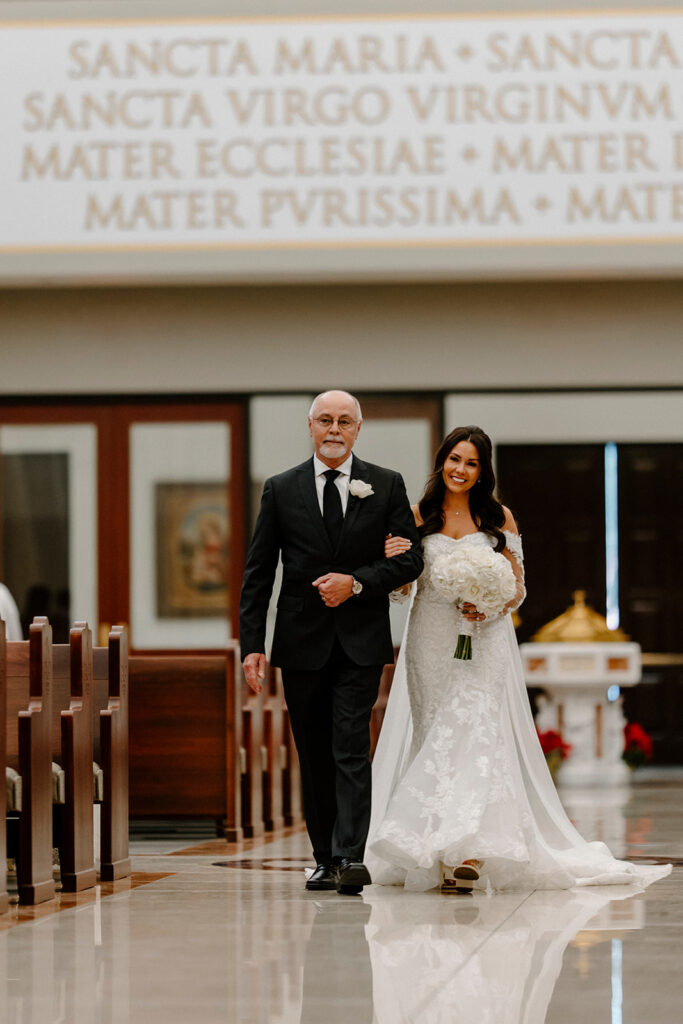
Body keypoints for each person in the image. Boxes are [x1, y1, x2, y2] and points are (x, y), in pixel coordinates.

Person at [366, 425, 671, 893]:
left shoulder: (498, 518)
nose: (461, 470)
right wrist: (395, 560)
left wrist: (488, 605)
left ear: (482, 471)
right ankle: (436, 849)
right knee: (435, 737)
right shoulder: (416, 515)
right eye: (454, 460)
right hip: (430, 640)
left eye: (471, 463)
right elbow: (403, 588)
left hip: (482, 642)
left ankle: (467, 852)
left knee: (475, 735)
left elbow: (517, 588)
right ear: (441, 462)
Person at [239, 390, 423, 895]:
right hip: (300, 642)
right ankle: (323, 857)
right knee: (314, 751)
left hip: (361, 640)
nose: (335, 429)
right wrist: (251, 644)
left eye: (345, 420)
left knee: (349, 746)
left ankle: (350, 857)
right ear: (311, 426)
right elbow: (259, 572)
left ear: (358, 429)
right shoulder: (281, 488)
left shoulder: (385, 485)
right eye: (326, 420)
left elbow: (409, 562)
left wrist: (357, 581)